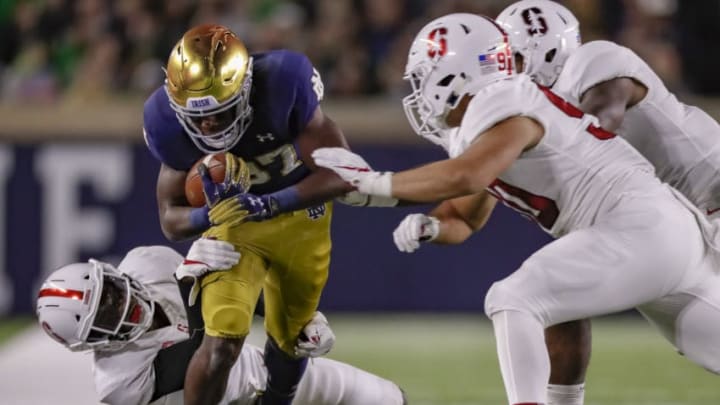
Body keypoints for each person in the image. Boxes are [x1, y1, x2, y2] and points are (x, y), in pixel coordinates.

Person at [312, 13, 720, 405]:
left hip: (638, 225)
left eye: (424, 76)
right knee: (555, 302)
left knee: (514, 299)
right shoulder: (495, 115)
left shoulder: (502, 98)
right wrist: (434, 225)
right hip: (657, 231)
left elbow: (468, 175)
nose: (419, 92)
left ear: (457, 75)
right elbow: (465, 212)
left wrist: (373, 186)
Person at [142, 24, 394, 405]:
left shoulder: (282, 83)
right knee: (222, 339)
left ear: (245, 90)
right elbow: (170, 220)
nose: (208, 125)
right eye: (198, 118)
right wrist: (207, 219)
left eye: (219, 113)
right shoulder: (164, 123)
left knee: (292, 340)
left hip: (300, 219)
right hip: (234, 228)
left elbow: (343, 175)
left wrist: (268, 203)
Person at [494, 1, 720, 403]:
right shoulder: (532, 114)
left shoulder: (594, 60)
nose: (500, 70)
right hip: (673, 228)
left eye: (506, 56)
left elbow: (601, 119)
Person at [35, 239, 407, 405]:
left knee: (386, 397)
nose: (122, 308)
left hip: (260, 373)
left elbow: (229, 293)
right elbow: (203, 361)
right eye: (104, 318)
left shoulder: (148, 262)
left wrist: (296, 317)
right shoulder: (118, 383)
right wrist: (188, 286)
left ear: (113, 274)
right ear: (93, 345)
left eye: (112, 295)